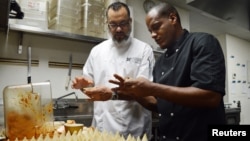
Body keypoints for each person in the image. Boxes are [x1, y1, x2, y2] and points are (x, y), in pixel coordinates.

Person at [110, 2, 226, 141]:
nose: (153, 35)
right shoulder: (160, 63)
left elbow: (211, 97)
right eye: (150, 31)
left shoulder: (202, 42)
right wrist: (135, 94)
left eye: (156, 27)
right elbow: (161, 106)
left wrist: (153, 88)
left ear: (173, 18)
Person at [71, 1, 155, 139]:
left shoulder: (144, 50)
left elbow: (143, 90)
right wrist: (84, 86)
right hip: (103, 130)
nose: (118, 29)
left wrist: (112, 94)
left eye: (123, 24)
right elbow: (90, 87)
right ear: (107, 24)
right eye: (113, 25)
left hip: (134, 130)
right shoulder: (97, 51)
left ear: (130, 21)